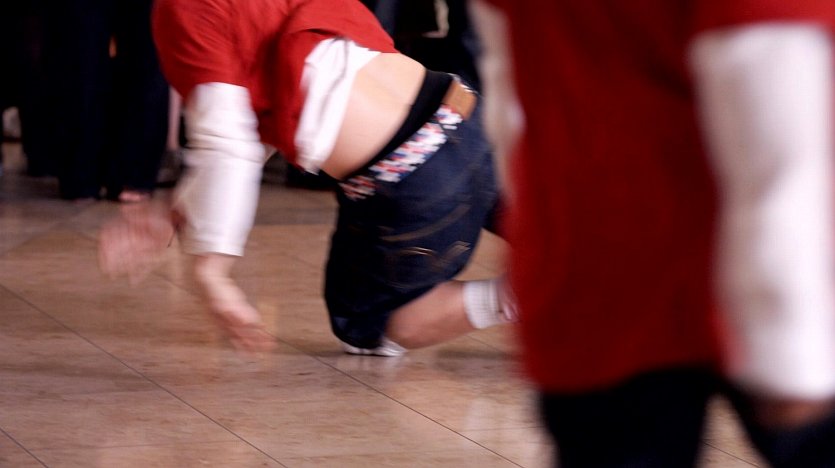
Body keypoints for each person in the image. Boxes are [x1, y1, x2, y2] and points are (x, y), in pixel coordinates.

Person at [470, 0, 835, 466]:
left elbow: (511, 97)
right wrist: (793, 351)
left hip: (588, 259)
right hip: (762, 266)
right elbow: (779, 145)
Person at [99, 0, 514, 355]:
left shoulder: (186, 9)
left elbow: (228, 144)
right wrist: (181, 212)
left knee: (365, 324)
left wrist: (212, 271)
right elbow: (264, 116)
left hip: (413, 169)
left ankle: (523, 294)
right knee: (525, 223)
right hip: (464, 112)